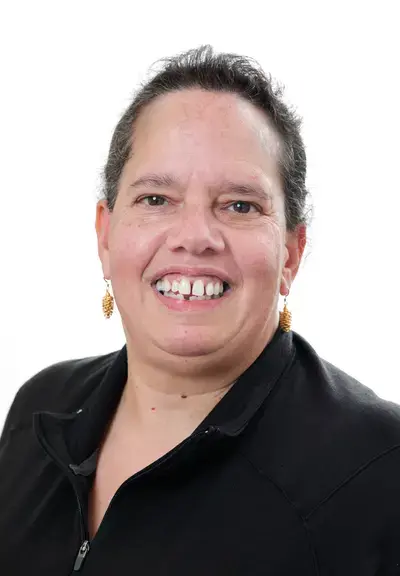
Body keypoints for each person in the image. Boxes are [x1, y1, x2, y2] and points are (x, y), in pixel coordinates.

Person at [1, 45, 399, 576]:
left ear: (292, 253)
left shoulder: (380, 470)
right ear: (105, 234)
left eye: (240, 205)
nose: (195, 237)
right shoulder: (38, 408)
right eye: (155, 199)